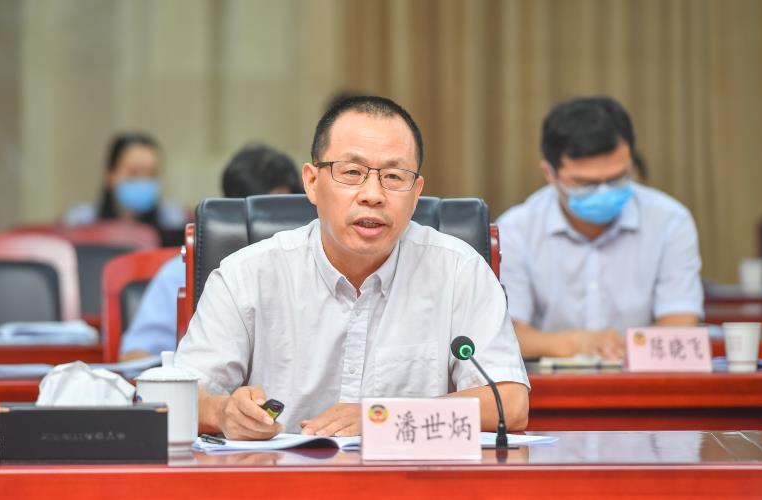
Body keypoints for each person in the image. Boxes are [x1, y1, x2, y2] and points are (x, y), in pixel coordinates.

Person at [175, 96, 530, 440]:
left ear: (416, 193)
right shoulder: (246, 275)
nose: (372, 194)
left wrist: (380, 418)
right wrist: (223, 412)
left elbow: (509, 404)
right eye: (352, 172)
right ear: (312, 182)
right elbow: (177, 401)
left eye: (394, 177)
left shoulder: (459, 271)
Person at [497, 96, 703, 360]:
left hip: (641, 377)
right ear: (550, 173)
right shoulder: (515, 231)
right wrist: (576, 343)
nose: (604, 192)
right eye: (586, 184)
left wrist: (621, 351)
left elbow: (680, 325)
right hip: (546, 381)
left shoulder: (670, 221)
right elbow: (507, 334)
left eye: (618, 178)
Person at [119, 144, 303, 361]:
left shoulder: (312, 269)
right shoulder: (181, 273)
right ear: (231, 214)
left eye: (284, 217)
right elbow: (133, 357)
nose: (275, 232)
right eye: (265, 219)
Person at [64, 132, 186, 239]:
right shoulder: (81, 221)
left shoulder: (172, 220)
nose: (143, 181)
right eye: (134, 173)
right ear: (109, 175)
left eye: (151, 173)